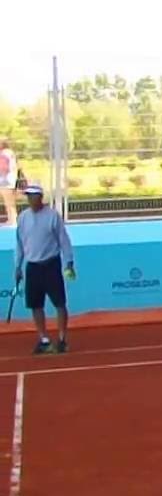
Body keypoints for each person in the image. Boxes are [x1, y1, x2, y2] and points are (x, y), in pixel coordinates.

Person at [13, 185, 74, 354]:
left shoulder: (53, 216)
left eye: (33, 196)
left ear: (40, 197)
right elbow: (19, 244)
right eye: (28, 197)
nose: (30, 200)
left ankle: (61, 339)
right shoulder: (23, 218)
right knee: (35, 305)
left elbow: (64, 240)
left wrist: (68, 262)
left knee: (60, 303)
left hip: (51, 265)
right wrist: (18, 266)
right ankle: (44, 339)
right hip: (32, 267)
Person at [0, 139, 18, 227]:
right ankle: (11, 219)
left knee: (8, 202)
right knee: (10, 202)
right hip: (11, 179)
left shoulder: (3, 154)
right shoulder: (10, 153)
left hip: (5, 180)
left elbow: (3, 167)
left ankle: (13, 220)